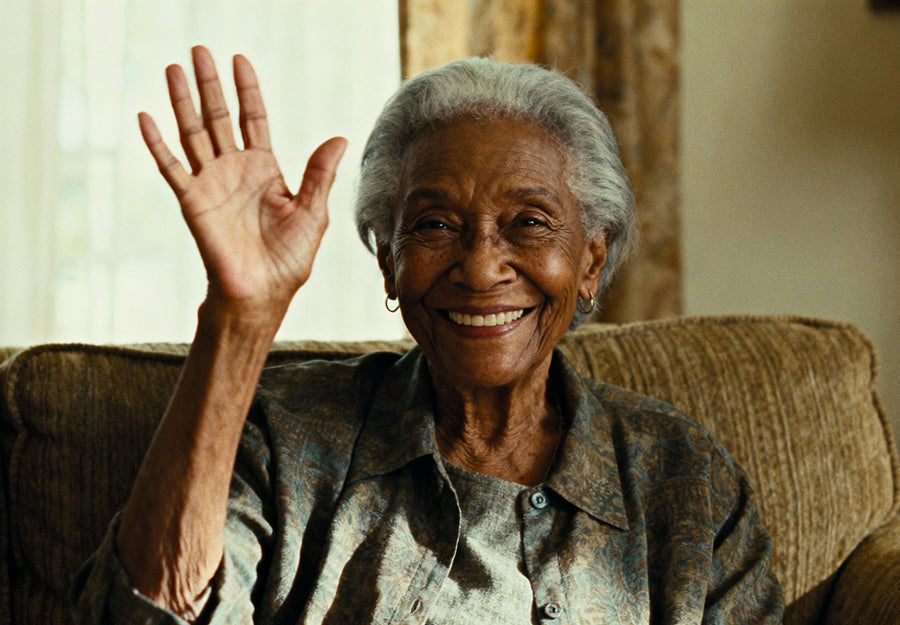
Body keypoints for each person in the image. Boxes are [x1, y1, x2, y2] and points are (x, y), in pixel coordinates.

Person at [70, 46, 782, 624]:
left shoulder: (685, 480)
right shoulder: (284, 440)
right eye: (435, 224)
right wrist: (239, 316)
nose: (481, 267)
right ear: (388, 259)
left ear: (591, 260)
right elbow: (141, 616)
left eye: (529, 222)